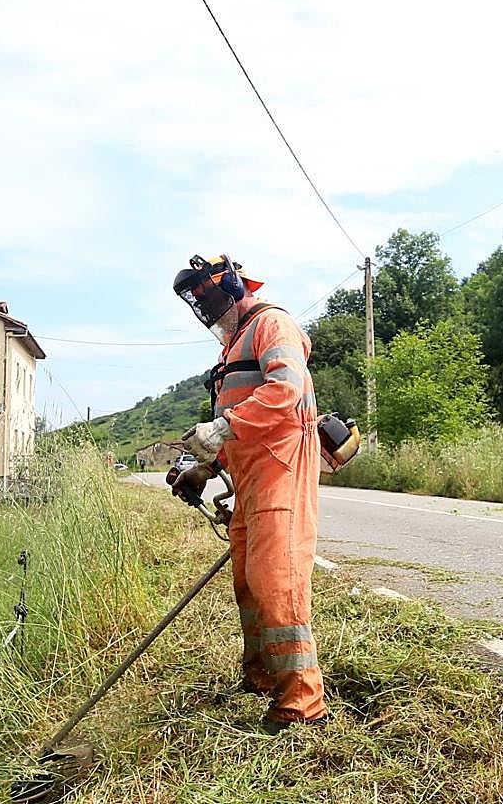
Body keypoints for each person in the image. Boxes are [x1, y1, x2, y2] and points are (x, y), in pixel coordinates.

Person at [170, 254, 329, 734]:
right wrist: (205, 466)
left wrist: (223, 426)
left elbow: (287, 392)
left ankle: (301, 702)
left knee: (276, 581)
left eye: (207, 295)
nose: (203, 306)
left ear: (234, 286)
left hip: (281, 472)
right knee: (249, 580)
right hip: (250, 481)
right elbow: (237, 425)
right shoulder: (232, 347)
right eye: (196, 299)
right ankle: (263, 675)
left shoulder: (271, 325)